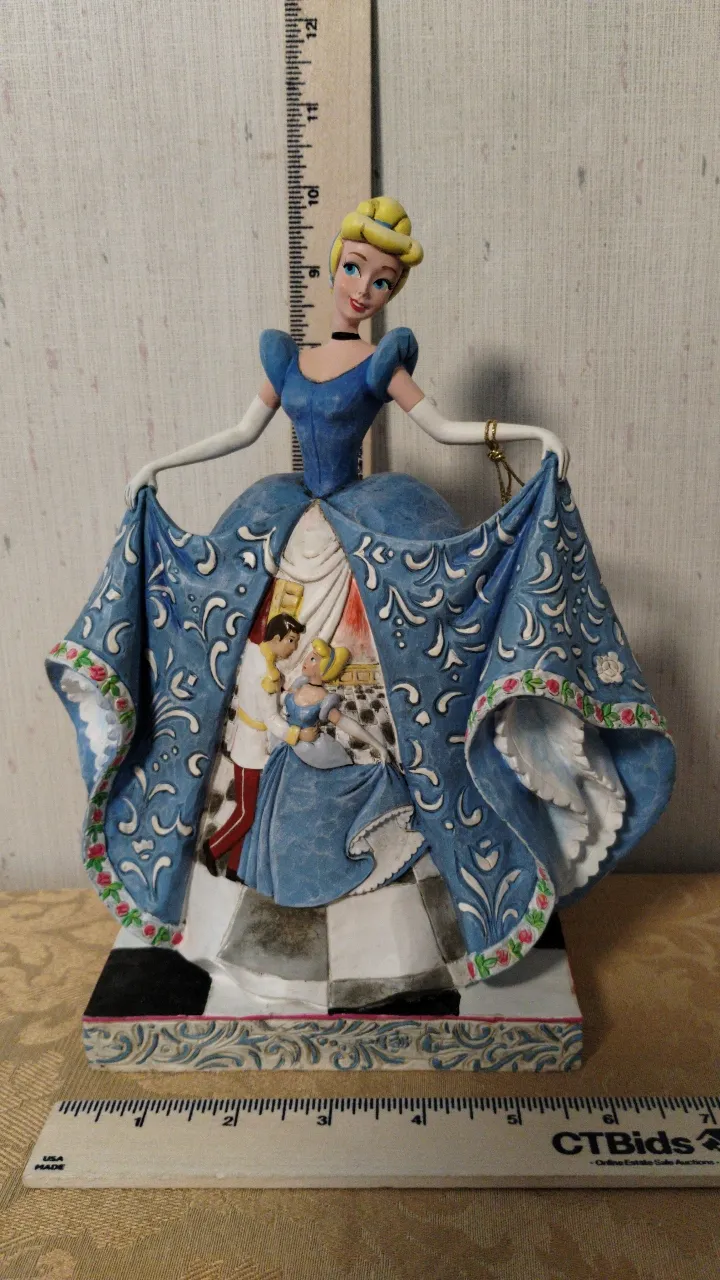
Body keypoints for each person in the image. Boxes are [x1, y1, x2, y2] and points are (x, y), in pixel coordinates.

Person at [48, 197, 674, 990]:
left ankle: (406, 865)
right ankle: (243, 857)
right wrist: (158, 468)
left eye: (381, 282)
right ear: (334, 266)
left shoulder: (383, 363)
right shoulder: (286, 357)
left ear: (390, 294)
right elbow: (241, 433)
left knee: (398, 676)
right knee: (238, 669)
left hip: (364, 527)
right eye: (354, 269)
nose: (362, 289)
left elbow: (440, 429)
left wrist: (523, 438)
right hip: (285, 522)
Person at [239, 637, 422, 907]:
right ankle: (279, 876)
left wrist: (377, 745)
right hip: (287, 758)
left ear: (323, 669)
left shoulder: (325, 700)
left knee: (314, 819)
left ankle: (314, 874)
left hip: (315, 759)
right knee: (277, 820)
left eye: (313, 659)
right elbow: (274, 711)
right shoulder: (296, 685)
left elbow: (347, 724)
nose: (306, 661)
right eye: (309, 657)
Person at [204, 611, 310, 880]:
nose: (294, 647)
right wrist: (297, 734)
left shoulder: (255, 652)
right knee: (246, 813)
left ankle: (235, 867)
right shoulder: (268, 676)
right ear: (276, 638)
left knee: (254, 810)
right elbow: (272, 719)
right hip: (252, 749)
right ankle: (213, 848)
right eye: (291, 640)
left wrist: (285, 694)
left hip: (249, 741)